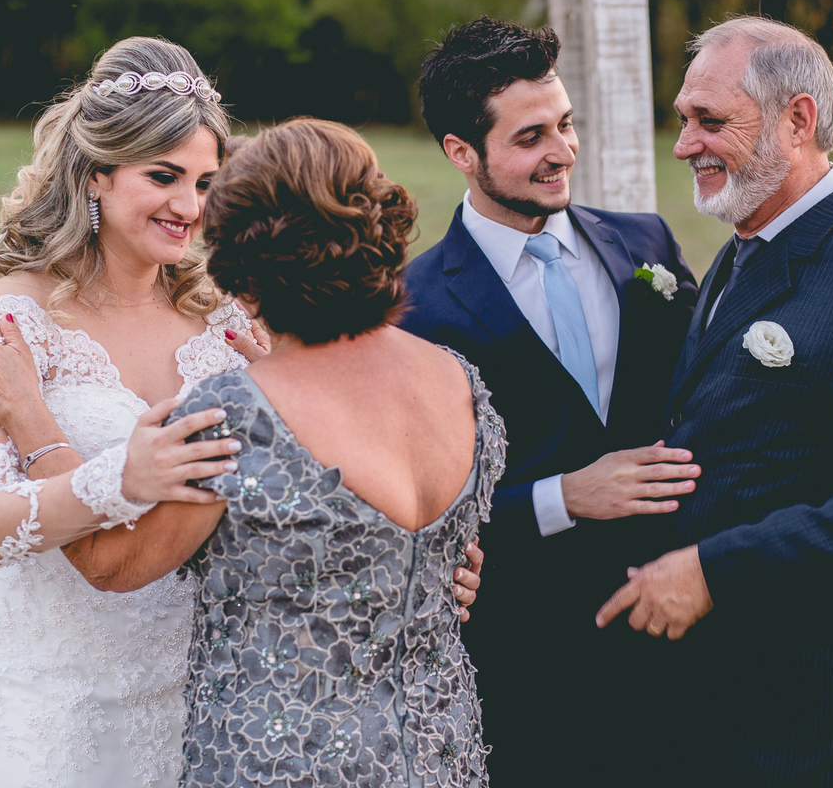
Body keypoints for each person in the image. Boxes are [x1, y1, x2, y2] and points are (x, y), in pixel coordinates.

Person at [0, 42, 485, 787]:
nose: (188, 207)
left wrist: (408, 563)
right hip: (48, 688)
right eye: (162, 176)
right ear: (97, 172)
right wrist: (108, 470)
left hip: (197, 691)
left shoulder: (224, 317)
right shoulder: (14, 314)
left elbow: (307, 451)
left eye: (205, 183)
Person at [57, 117, 505, 788]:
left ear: (243, 266)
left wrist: (28, 420)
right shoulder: (459, 382)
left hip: (281, 764)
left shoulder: (235, 415)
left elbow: (109, 564)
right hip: (440, 754)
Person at [595, 16, 833, 787]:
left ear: (797, 121)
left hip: (814, 724)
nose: (685, 144)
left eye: (710, 121)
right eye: (683, 119)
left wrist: (715, 570)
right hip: (712, 713)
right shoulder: (745, 245)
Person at [397, 16, 700, 785]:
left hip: (673, 637)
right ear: (462, 153)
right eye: (530, 137)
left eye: (564, 125)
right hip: (523, 660)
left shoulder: (646, 246)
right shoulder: (413, 307)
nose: (562, 151)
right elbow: (413, 511)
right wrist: (561, 497)